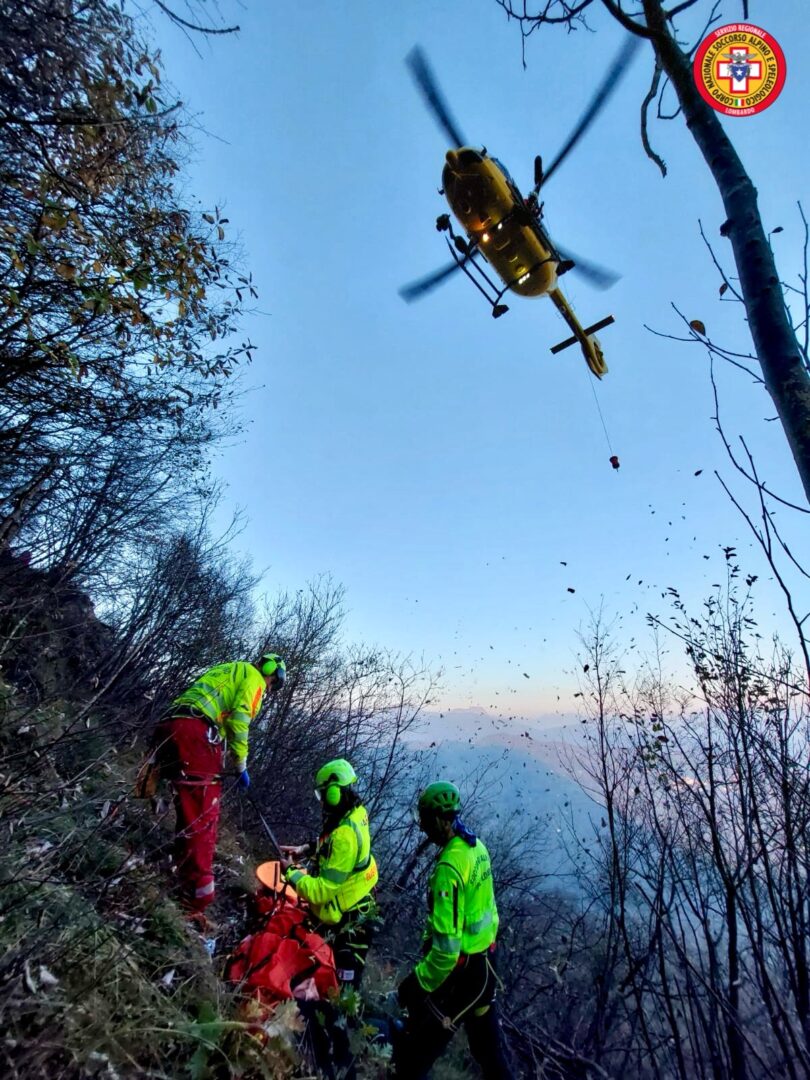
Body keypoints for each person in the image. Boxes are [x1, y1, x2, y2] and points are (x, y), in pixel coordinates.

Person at [152, 654, 286, 916]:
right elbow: (240, 718)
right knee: (204, 813)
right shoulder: (254, 679)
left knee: (189, 805)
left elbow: (220, 713)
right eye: (275, 683)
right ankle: (198, 897)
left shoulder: (230, 669)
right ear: (270, 672)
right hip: (195, 731)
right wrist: (241, 763)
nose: (271, 689)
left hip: (170, 724)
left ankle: (180, 868)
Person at [394, 781, 512, 1079]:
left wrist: (417, 982)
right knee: (488, 1052)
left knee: (420, 1050)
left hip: (467, 973)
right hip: (485, 961)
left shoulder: (450, 867)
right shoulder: (475, 846)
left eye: (424, 820)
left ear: (437, 819)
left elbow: (446, 951)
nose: (422, 827)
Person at [280, 758, 379, 1080]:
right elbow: (329, 844)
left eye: (324, 795)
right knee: (330, 984)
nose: (322, 801)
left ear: (336, 793)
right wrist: (305, 850)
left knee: (343, 994)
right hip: (348, 911)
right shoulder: (352, 815)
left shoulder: (346, 834)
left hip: (352, 923)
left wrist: (293, 875)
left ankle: (342, 1060)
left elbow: (320, 891)